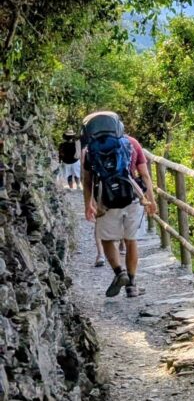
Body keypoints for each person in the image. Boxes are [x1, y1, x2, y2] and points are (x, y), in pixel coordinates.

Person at [81, 111, 157, 298]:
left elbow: (87, 180)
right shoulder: (132, 143)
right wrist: (151, 199)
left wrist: (88, 204)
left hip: (105, 200)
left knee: (106, 239)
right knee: (131, 240)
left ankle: (119, 272)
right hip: (132, 197)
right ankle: (132, 284)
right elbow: (144, 175)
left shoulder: (90, 150)